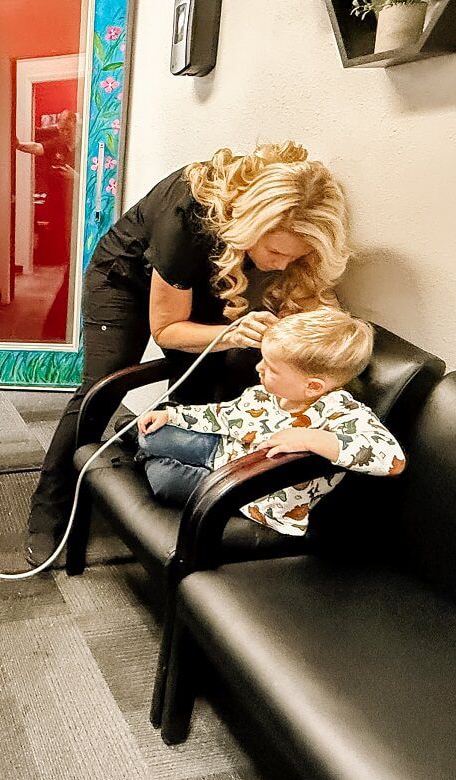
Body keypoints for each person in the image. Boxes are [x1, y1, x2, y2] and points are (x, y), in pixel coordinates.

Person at [26, 141, 351, 564]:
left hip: (204, 269)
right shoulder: (190, 214)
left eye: (296, 257)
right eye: (274, 253)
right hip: (125, 276)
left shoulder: (289, 224)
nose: (279, 267)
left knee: (206, 376)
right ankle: (49, 506)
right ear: (249, 225)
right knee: (102, 385)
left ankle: (171, 484)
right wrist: (231, 334)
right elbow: (167, 329)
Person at [136, 308, 405, 535]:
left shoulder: (340, 412)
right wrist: (172, 416)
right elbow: (224, 415)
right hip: (222, 451)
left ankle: (146, 456)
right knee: (154, 433)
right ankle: (146, 445)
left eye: (271, 368)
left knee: (163, 480)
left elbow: (393, 460)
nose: (258, 368)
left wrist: (311, 439)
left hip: (245, 494)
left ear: (312, 386)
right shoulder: (265, 394)